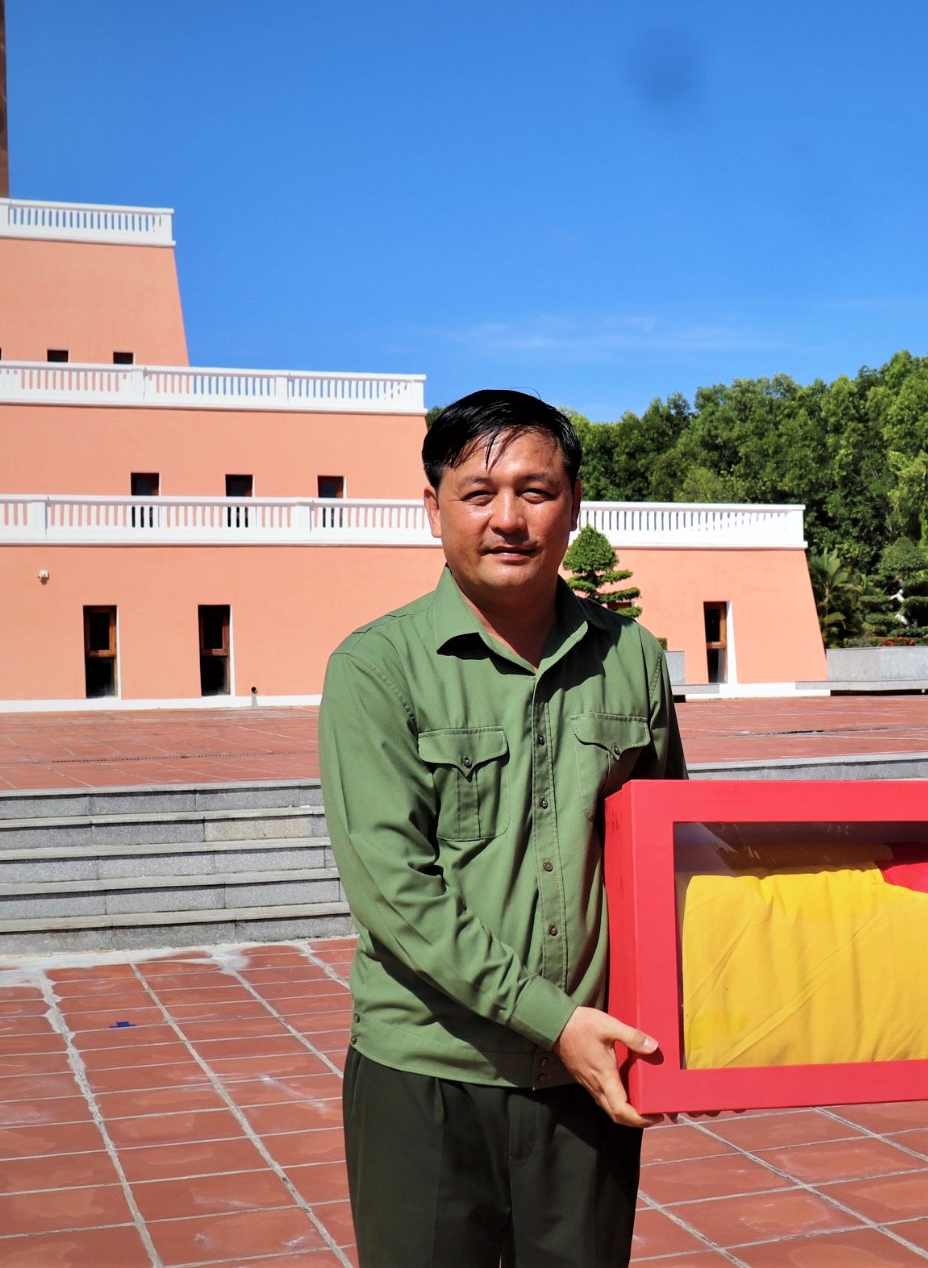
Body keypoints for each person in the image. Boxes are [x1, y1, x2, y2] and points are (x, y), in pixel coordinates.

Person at [319, 388, 686, 1267]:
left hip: (584, 1075)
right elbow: (394, 893)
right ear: (433, 509)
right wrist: (552, 1020)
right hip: (430, 1070)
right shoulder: (378, 667)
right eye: (478, 494)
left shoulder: (631, 657)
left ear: (575, 504)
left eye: (536, 491)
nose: (509, 519)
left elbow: (668, 855)